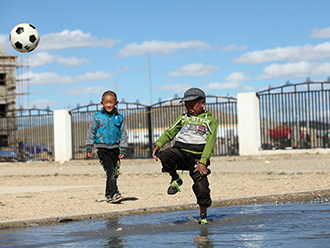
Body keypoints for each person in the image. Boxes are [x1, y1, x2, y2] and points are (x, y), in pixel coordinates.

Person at [152, 87, 218, 224]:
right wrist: (158, 144)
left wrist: (203, 162)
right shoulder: (183, 118)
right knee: (165, 155)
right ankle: (176, 179)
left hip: (197, 159)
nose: (189, 109)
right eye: (187, 106)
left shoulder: (210, 121)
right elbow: (170, 133)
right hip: (180, 153)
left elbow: (210, 143)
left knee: (202, 188)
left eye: (192, 105)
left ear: (202, 103)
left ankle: (203, 217)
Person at [86, 90, 128, 203]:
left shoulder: (120, 118)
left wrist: (123, 149)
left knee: (114, 172)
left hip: (115, 149)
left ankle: (108, 193)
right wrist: (89, 146)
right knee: (111, 172)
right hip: (102, 149)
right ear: (102, 103)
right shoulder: (97, 117)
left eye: (111, 102)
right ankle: (115, 193)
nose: (108, 105)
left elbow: (123, 134)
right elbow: (91, 132)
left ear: (116, 102)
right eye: (106, 102)